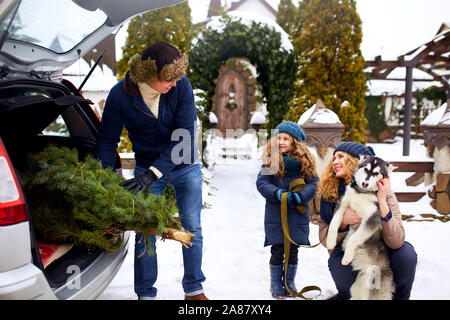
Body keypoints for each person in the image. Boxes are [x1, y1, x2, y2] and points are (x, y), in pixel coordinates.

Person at [95, 41, 207, 300]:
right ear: (150, 77)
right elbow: (106, 141)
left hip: (185, 164)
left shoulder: (181, 86)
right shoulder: (119, 96)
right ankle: (146, 294)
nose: (176, 83)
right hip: (146, 165)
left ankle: (194, 289)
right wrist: (103, 181)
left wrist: (154, 172)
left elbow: (185, 135)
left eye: (178, 77)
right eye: (169, 78)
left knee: (193, 228)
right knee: (145, 230)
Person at [317, 142, 417, 300]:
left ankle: (400, 297)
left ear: (356, 162)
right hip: (350, 253)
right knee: (337, 262)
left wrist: (382, 202)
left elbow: (397, 240)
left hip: (380, 251)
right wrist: (343, 222)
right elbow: (323, 237)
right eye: (334, 157)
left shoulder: (383, 191)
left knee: (405, 253)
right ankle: (347, 294)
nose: (334, 161)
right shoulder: (330, 193)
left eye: (341, 156)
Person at [256, 121, 318, 298]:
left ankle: (289, 282)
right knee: (277, 250)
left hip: (297, 215)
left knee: (293, 250)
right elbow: (261, 183)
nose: (281, 142)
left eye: (286, 139)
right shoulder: (271, 162)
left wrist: (300, 196)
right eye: (279, 138)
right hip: (276, 215)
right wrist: (278, 193)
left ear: (295, 142)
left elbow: (314, 184)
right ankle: (276, 284)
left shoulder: (305, 163)